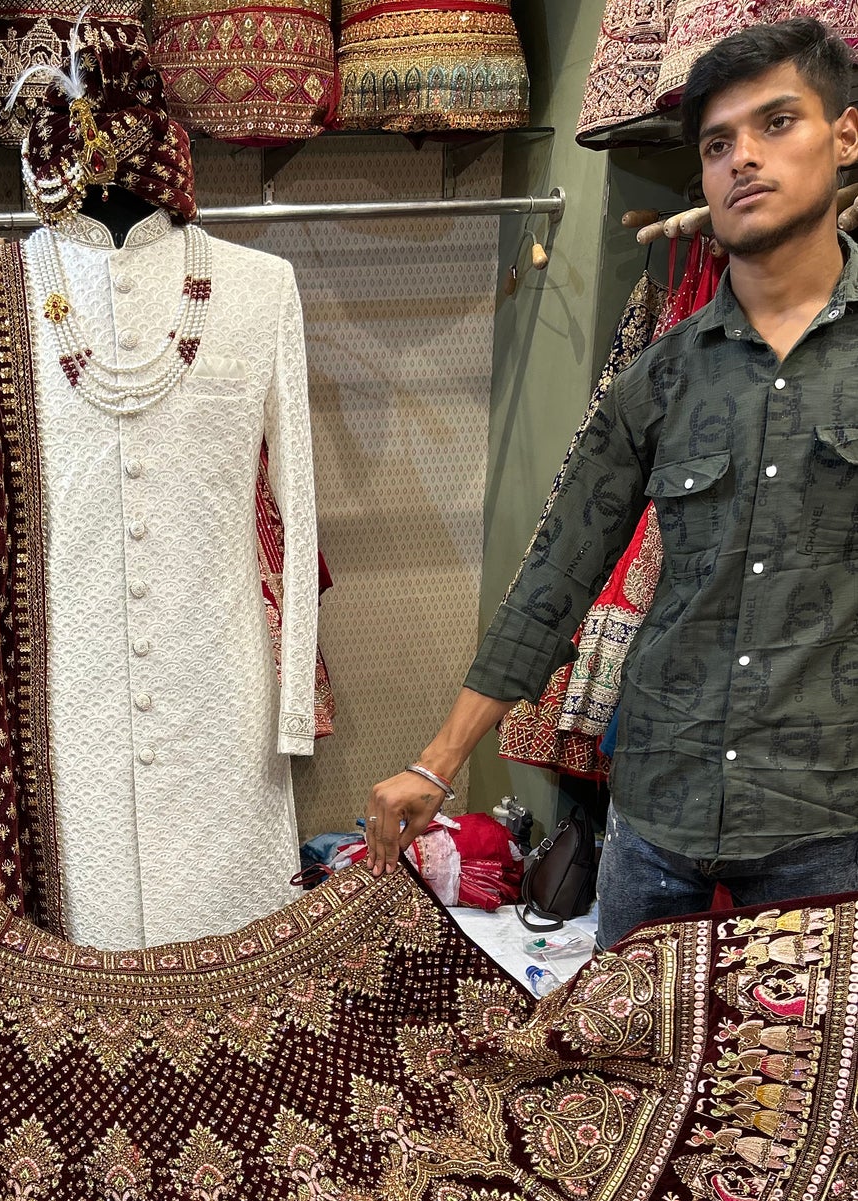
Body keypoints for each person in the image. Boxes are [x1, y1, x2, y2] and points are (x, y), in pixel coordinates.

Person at [364, 17, 858, 948]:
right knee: (621, 1071)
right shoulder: (656, 379)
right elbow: (553, 575)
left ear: (844, 137)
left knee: (791, 1093)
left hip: (825, 825)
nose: (742, 160)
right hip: (657, 815)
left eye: (775, 124)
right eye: (717, 145)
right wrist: (434, 765)